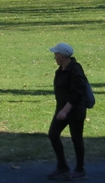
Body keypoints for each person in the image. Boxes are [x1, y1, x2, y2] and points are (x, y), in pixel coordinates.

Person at [48, 42, 87, 180]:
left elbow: (77, 93)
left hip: (75, 110)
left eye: (56, 54)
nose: (54, 56)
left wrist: (65, 110)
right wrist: (61, 109)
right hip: (62, 109)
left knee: (76, 139)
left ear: (63, 56)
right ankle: (62, 167)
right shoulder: (61, 70)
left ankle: (80, 169)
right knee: (53, 134)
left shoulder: (75, 69)